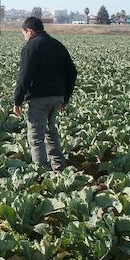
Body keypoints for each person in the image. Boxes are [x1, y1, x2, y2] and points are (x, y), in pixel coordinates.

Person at [13, 16, 77, 171]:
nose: (25, 37)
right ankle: (58, 166)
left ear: (30, 30)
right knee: (50, 132)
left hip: (39, 99)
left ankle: (42, 172)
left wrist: (18, 100)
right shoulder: (57, 45)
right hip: (57, 98)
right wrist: (65, 98)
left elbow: (24, 76)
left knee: (35, 137)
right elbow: (72, 72)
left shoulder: (31, 47)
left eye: (24, 33)